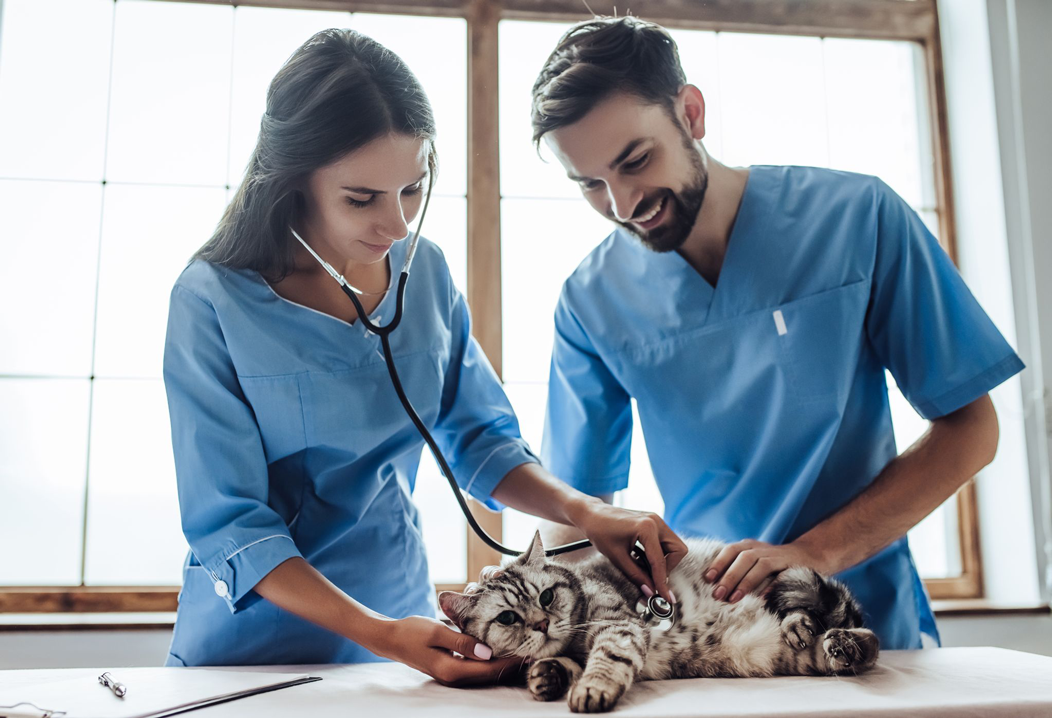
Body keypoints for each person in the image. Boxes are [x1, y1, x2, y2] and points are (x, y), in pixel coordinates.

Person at [162, 28, 686, 681]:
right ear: (294, 183)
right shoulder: (211, 301)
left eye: (412, 189)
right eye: (363, 199)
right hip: (253, 646)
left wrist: (588, 511)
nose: (398, 224)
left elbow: (481, 441)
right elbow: (231, 524)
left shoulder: (424, 272)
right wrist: (379, 634)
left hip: (402, 621)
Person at [531, 17, 1023, 650]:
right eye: (591, 185)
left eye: (636, 161)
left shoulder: (858, 219)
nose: (623, 204)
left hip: (864, 617)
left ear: (690, 113)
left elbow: (971, 431)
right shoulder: (589, 301)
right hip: (717, 636)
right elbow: (580, 520)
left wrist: (812, 553)